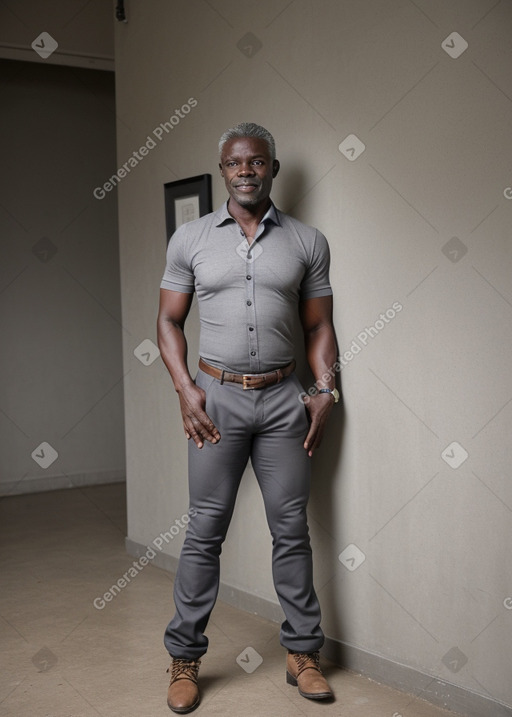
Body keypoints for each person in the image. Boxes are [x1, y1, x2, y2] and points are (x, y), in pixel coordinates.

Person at [157, 122, 340, 714]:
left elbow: (318, 326)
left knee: (292, 530)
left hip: (284, 398)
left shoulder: (308, 241)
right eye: (235, 162)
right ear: (222, 170)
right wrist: (187, 390)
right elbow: (167, 323)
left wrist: (325, 390)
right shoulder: (190, 239)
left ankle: (303, 654)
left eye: (256, 162)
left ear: (272, 169)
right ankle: (184, 659)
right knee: (205, 530)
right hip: (216, 399)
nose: (245, 171)